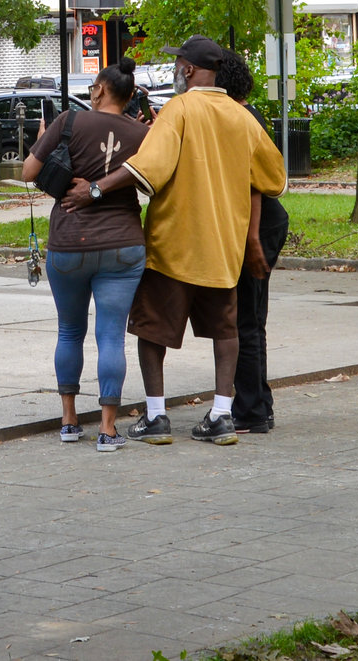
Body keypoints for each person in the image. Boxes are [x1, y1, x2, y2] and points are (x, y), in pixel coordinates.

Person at [61, 35, 285, 447]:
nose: (175, 70)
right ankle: (221, 416)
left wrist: (95, 189)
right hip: (222, 246)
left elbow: (149, 168)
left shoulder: (179, 108)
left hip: (173, 243)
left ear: (188, 70)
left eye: (177, 64)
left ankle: (157, 417)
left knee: (152, 331)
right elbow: (274, 177)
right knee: (226, 330)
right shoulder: (242, 117)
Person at [22, 64, 149, 451]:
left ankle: (69, 421)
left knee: (70, 331)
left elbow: (29, 172)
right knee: (111, 336)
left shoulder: (68, 122)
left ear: (98, 91)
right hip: (122, 245)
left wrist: (44, 141)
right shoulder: (143, 133)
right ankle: (108, 430)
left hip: (69, 243)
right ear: (129, 97)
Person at [220, 54, 290, 434]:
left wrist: (252, 241)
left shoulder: (243, 120)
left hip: (259, 227)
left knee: (246, 320)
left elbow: (256, 185)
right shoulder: (245, 116)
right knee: (251, 319)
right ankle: (258, 403)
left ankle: (251, 411)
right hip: (261, 227)